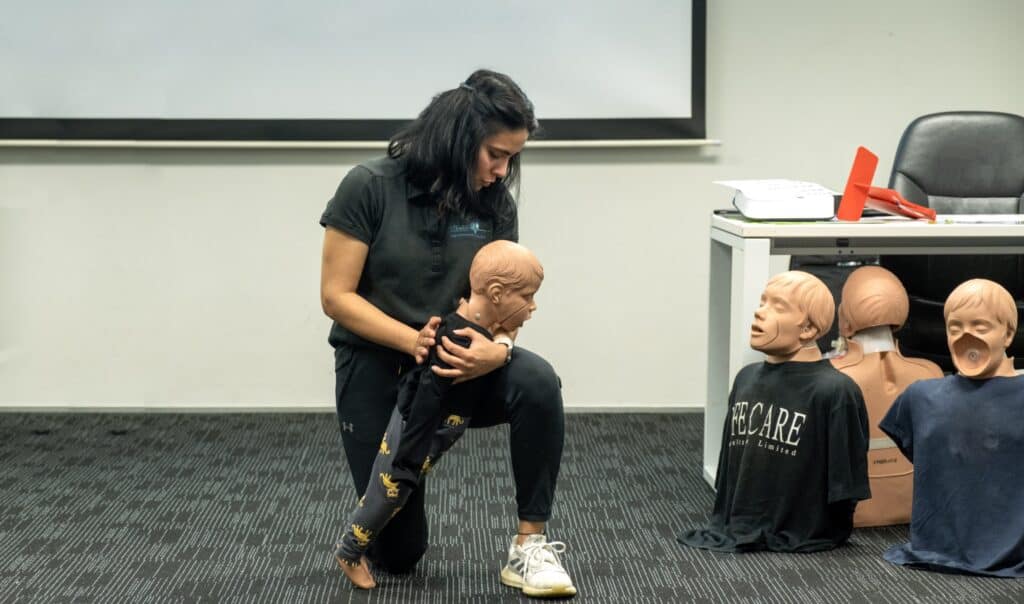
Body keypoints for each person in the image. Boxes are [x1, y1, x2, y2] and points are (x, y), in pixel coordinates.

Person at [318, 69, 575, 598]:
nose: (503, 171)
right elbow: (336, 297)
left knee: (538, 381)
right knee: (398, 556)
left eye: (513, 158)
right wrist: (411, 341)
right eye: (495, 154)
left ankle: (530, 546)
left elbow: (508, 302)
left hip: (459, 365)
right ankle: (408, 470)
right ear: (459, 140)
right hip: (377, 366)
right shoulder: (367, 186)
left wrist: (498, 352)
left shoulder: (494, 203)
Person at [333, 240, 544, 589]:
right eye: (527, 296)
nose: (533, 306)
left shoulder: (476, 332)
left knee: (394, 495)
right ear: (495, 293)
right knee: (389, 493)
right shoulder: (457, 342)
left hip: (436, 433)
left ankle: (353, 546)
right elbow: (426, 399)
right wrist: (409, 456)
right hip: (419, 434)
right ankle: (348, 551)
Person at [678, 271, 870, 553]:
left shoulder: (835, 391)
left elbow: (847, 484)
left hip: (807, 534)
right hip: (735, 523)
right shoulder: (746, 379)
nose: (759, 313)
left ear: (807, 329)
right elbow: (730, 464)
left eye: (777, 307)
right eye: (762, 302)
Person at [880, 279, 1024, 576]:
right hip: (934, 553)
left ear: (1008, 333)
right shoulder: (920, 398)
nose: (966, 337)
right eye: (954, 328)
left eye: (981, 327)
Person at [829, 266, 943, 527]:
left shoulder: (832, 379)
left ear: (844, 318)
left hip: (850, 514)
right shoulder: (931, 374)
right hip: (915, 510)